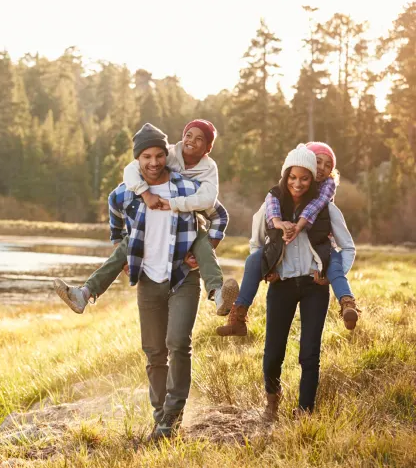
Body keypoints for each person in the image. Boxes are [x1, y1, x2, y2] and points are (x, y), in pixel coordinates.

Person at [64, 124, 229, 440]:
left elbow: (219, 214)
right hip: (148, 280)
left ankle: (173, 414)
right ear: (137, 160)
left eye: (158, 155)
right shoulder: (128, 190)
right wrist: (120, 248)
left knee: (178, 344)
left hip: (183, 277)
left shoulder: (186, 188)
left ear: (167, 156)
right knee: (154, 352)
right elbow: (114, 212)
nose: (153, 162)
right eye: (146, 157)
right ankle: (161, 419)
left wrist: (212, 244)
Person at [54, 120, 238, 317]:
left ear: (208, 148)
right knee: (128, 244)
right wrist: (145, 194)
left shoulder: (207, 170)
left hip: (189, 223)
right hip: (151, 225)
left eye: (199, 139)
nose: (191, 141)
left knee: (202, 242)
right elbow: (131, 171)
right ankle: (83, 294)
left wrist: (206, 246)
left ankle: (218, 294)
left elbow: (212, 203)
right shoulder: (166, 155)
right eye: (188, 135)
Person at [228, 144, 354, 419]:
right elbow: (255, 244)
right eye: (293, 177)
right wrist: (266, 269)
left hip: (314, 288)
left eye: (306, 177)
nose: (298, 182)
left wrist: (332, 273)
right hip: (281, 285)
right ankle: (272, 404)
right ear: (286, 175)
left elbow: (348, 247)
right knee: (273, 350)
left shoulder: (327, 209)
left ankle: (305, 410)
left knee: (310, 353)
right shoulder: (271, 206)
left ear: (312, 178)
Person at [216, 141, 359, 337]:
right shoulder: (277, 195)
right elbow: (259, 235)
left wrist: (299, 226)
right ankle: (238, 314)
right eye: (318, 162)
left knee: (333, 262)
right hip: (281, 265)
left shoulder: (325, 194)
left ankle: (347, 303)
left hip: (320, 253)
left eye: (328, 166)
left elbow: (317, 209)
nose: (322, 169)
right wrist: (269, 266)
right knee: (253, 260)